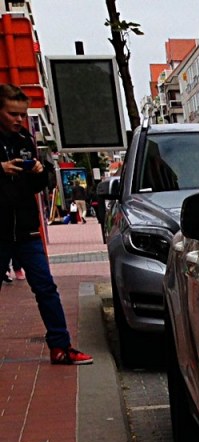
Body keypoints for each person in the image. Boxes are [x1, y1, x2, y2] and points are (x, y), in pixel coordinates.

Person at [0, 84, 92, 364]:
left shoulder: (26, 139)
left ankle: (61, 347)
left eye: (22, 114)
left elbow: (39, 186)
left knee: (46, 288)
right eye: (13, 114)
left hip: (26, 230)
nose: (19, 120)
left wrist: (40, 173)